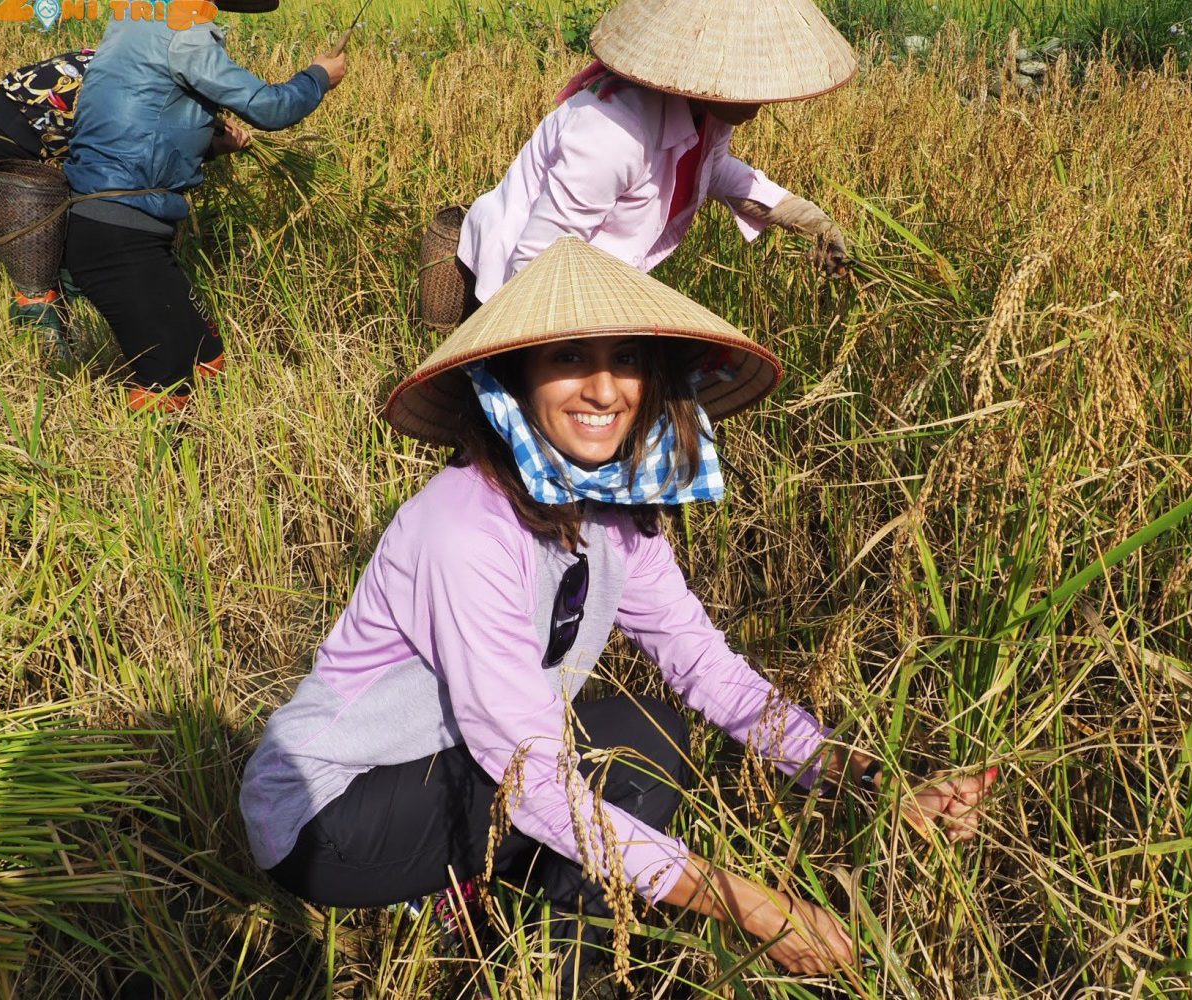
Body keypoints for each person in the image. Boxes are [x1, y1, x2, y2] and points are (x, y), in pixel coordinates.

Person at [240, 237, 996, 995]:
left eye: (627, 359)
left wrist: (869, 781)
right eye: (570, 356)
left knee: (648, 736)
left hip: (458, 769)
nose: (604, 390)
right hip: (329, 813)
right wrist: (754, 908)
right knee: (592, 788)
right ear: (517, 378)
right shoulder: (463, 530)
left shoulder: (609, 517)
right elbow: (535, 783)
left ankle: (504, 920)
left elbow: (707, 669)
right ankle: (549, 977)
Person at [447, 0, 859, 321]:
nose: (761, 99)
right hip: (514, 294)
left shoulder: (709, 110)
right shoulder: (614, 133)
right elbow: (536, 265)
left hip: (590, 292)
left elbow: (713, 172)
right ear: (706, 71)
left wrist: (809, 220)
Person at [61, 0, 346, 412]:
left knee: (205, 351)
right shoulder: (183, 33)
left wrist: (212, 144)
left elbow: (138, 125)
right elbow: (269, 107)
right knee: (168, 373)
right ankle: (162, 470)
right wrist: (319, 77)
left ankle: (192, 452)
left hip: (119, 222)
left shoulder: (133, 24)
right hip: (118, 230)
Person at [0, 50, 94, 339]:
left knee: (32, 258)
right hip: (93, 75)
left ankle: (58, 326)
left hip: (74, 92)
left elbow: (30, 241)